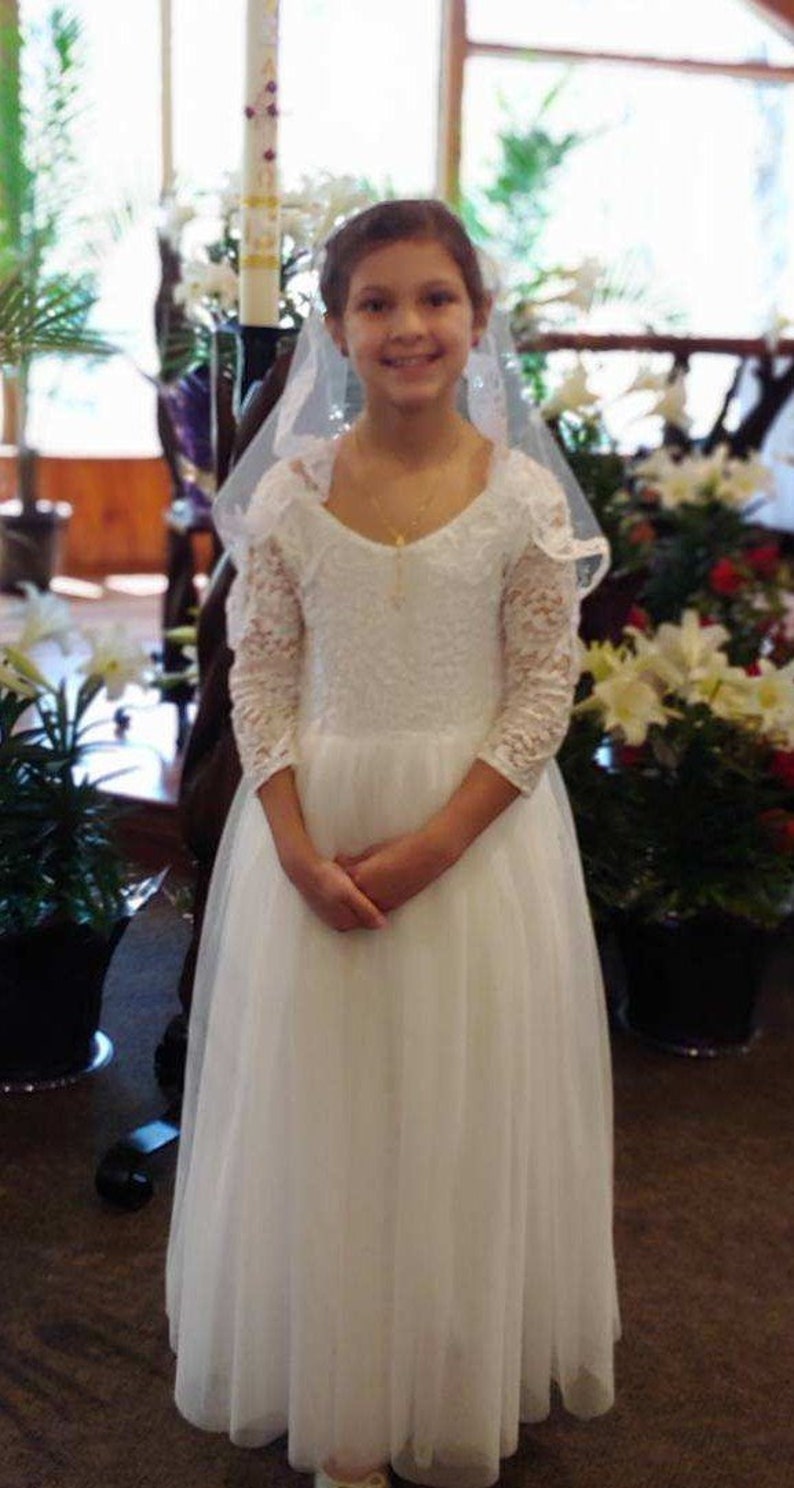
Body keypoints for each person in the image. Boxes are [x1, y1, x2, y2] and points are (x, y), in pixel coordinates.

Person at [166, 199, 620, 1488]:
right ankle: (342, 1392)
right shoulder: (295, 495)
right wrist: (299, 848)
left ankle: (443, 1369)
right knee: (332, 1106)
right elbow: (259, 681)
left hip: (476, 843)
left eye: (435, 299)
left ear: (478, 321)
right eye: (377, 303)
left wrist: (431, 848)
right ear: (337, 328)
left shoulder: (522, 496)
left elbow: (543, 690)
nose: (408, 326)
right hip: (309, 831)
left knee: (459, 1102)